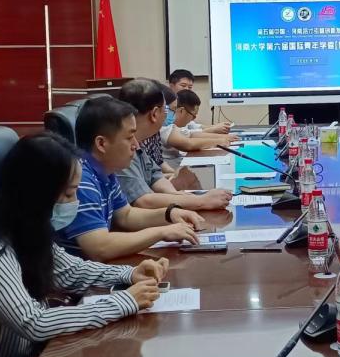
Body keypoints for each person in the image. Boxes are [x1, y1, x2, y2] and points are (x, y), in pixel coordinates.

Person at [0, 133, 170, 357]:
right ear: (36, 195)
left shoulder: (28, 233)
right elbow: (35, 323)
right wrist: (123, 302)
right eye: (68, 194)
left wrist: (129, 274)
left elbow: (72, 272)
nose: (74, 202)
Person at [57, 96, 206, 261]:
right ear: (101, 144)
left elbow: (126, 216)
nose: (136, 145)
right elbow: (99, 247)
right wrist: (161, 232)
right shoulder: (81, 180)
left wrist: (170, 213)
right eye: (129, 138)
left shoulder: (105, 170)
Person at [116, 79, 232, 211]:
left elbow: (155, 176)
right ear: (154, 114)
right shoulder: (121, 148)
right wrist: (200, 201)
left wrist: (177, 195)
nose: (169, 115)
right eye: (166, 109)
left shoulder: (139, 142)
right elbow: (142, 201)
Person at [160, 88, 239, 170]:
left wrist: (224, 138)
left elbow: (191, 134)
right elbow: (189, 144)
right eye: (173, 109)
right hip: (174, 169)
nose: (168, 113)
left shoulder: (170, 126)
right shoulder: (163, 128)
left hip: (176, 168)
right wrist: (219, 141)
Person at [168, 68, 230, 134]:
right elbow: (181, 134)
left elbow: (191, 125)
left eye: (190, 87)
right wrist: (213, 129)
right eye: (183, 86)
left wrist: (215, 127)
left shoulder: (184, 103)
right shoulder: (166, 107)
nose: (187, 89)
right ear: (171, 86)